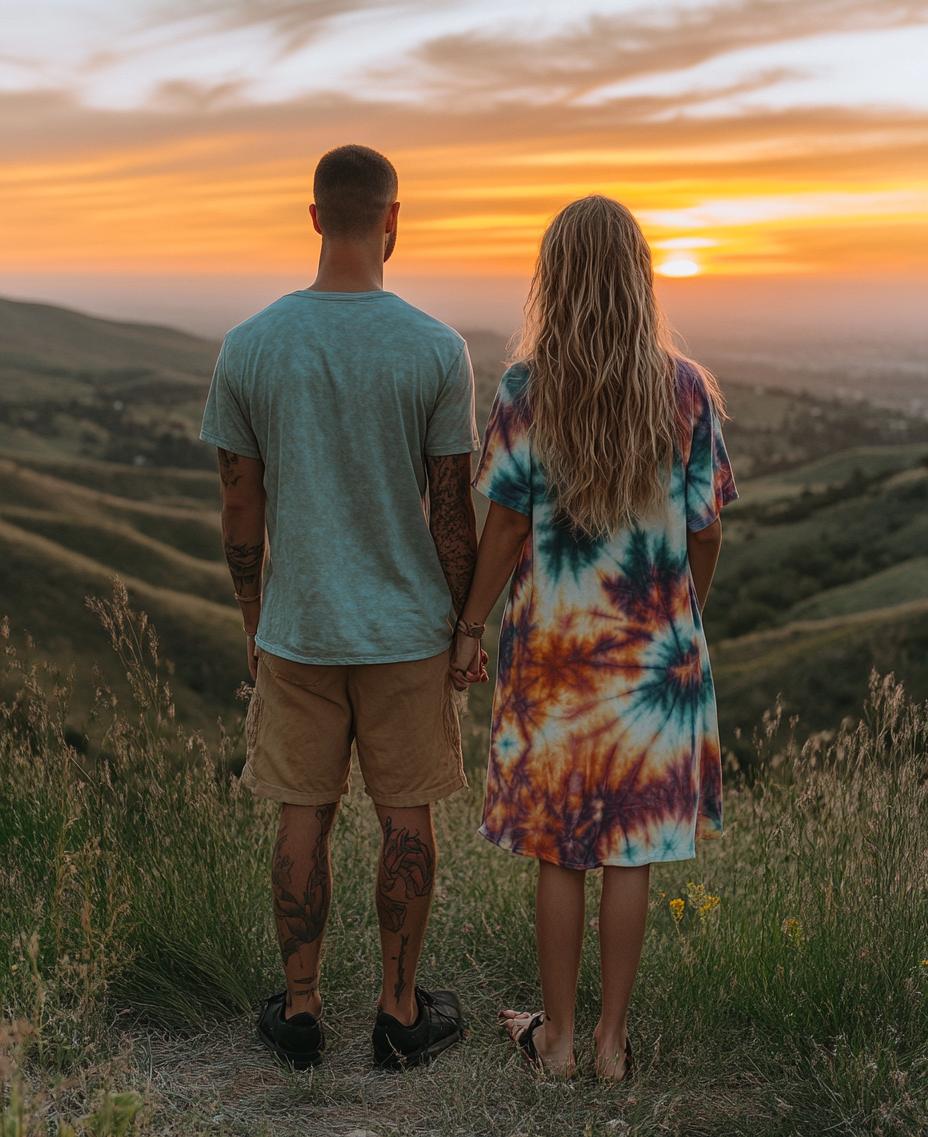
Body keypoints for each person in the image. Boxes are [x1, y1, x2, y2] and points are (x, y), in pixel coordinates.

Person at [201, 144, 479, 1071]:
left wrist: (252, 613)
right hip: (406, 631)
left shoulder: (251, 346)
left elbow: (242, 502)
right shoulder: (438, 349)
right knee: (407, 819)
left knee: (302, 812)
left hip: (299, 626)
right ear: (394, 219)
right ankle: (399, 1015)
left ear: (314, 217)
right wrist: (466, 624)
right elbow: (451, 514)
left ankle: (303, 1011)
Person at [449, 195, 737, 1079]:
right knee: (630, 847)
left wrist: (469, 627)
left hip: (552, 657)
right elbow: (707, 530)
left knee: (561, 847)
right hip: (658, 656)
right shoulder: (685, 389)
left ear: (555, 281)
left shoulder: (526, 392)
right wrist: (682, 614)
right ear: (638, 279)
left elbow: (501, 528)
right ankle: (612, 1047)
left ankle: (560, 1043)